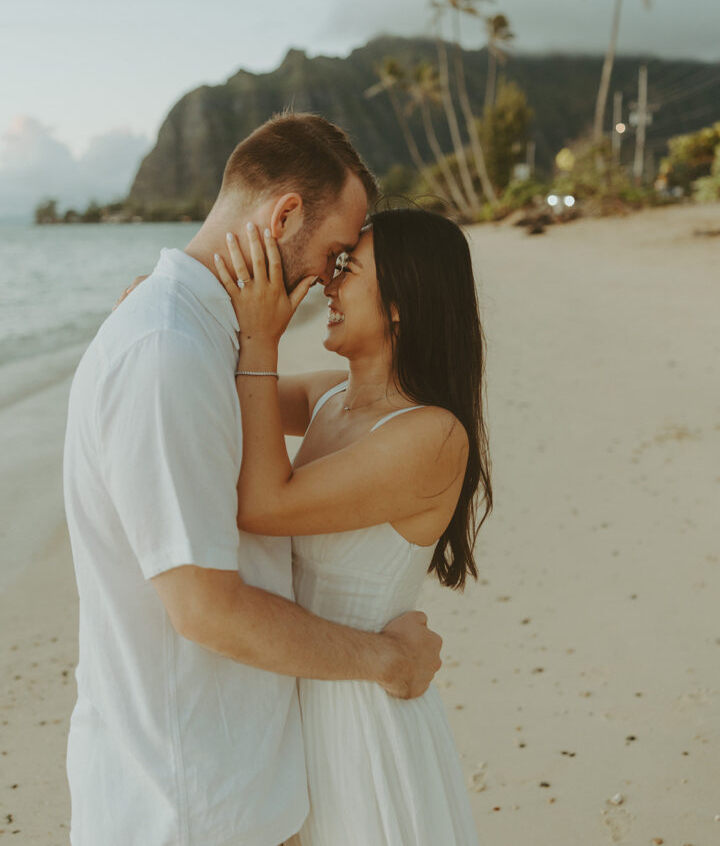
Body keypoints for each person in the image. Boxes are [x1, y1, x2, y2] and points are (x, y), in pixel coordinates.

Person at [63, 113, 444, 846]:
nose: (329, 278)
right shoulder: (168, 352)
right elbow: (206, 610)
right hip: (186, 801)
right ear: (285, 215)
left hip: (236, 780)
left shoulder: (206, 341)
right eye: (336, 253)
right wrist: (386, 658)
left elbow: (343, 409)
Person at [212, 206, 493, 845]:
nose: (327, 287)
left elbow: (262, 505)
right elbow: (211, 384)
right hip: (287, 699)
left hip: (357, 715)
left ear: (399, 302)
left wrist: (262, 338)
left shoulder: (431, 434)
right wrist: (163, 305)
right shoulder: (329, 399)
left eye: (347, 270)